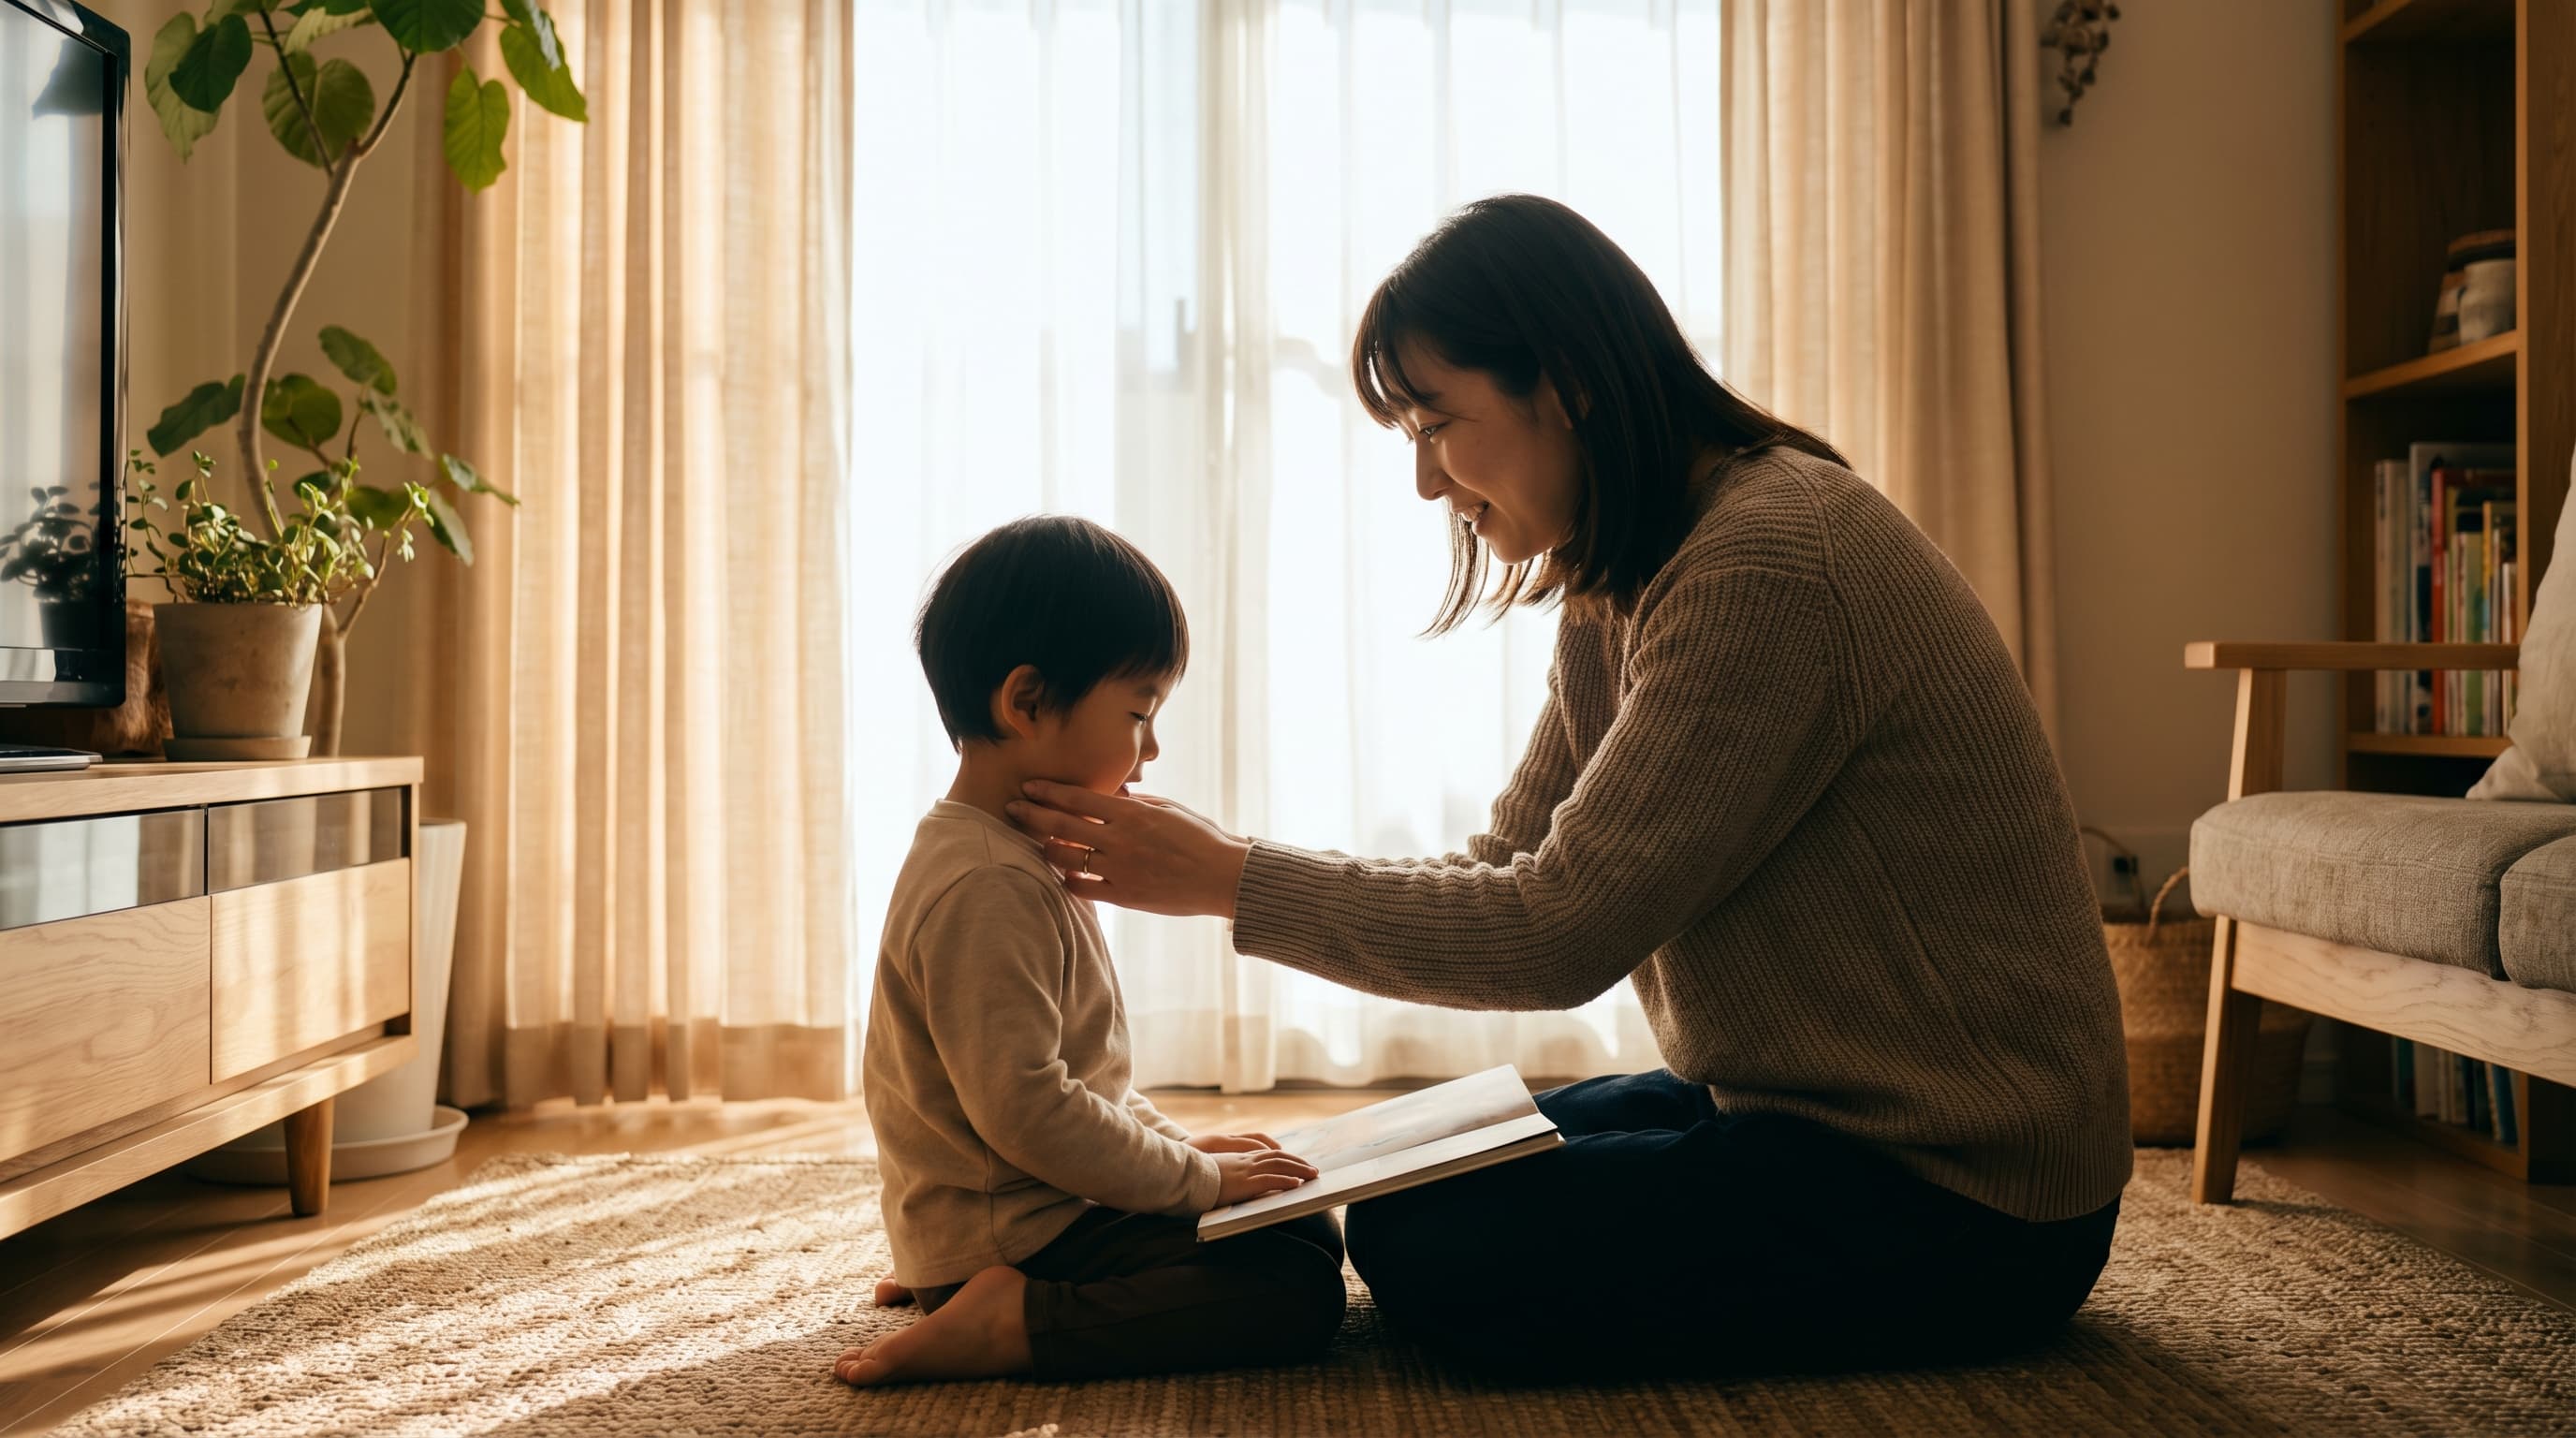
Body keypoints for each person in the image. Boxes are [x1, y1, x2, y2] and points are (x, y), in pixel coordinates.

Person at [1003, 195, 2132, 1377]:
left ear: (1568, 386)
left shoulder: (1769, 559)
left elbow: (1555, 934)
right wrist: (1233, 870)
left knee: (1425, 1235)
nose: (1430, 484)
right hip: (1786, 1108)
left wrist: (1235, 882)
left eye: (1437, 424)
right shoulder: (1627, 573)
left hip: (1967, 1188)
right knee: (1375, 1157)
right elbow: (1509, 869)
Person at [836, 516, 1346, 1387]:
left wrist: (1188, 1158)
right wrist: (1192, 1178)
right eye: (1140, 713)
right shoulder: (985, 885)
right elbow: (1030, 1112)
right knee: (1293, 1287)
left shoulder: (1008, 855)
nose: (1151, 751)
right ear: (1027, 702)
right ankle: (1007, 1320)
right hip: (1026, 1231)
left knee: (1301, 1220)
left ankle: (962, 1276)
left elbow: (1087, 1081)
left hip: (1034, 1209)